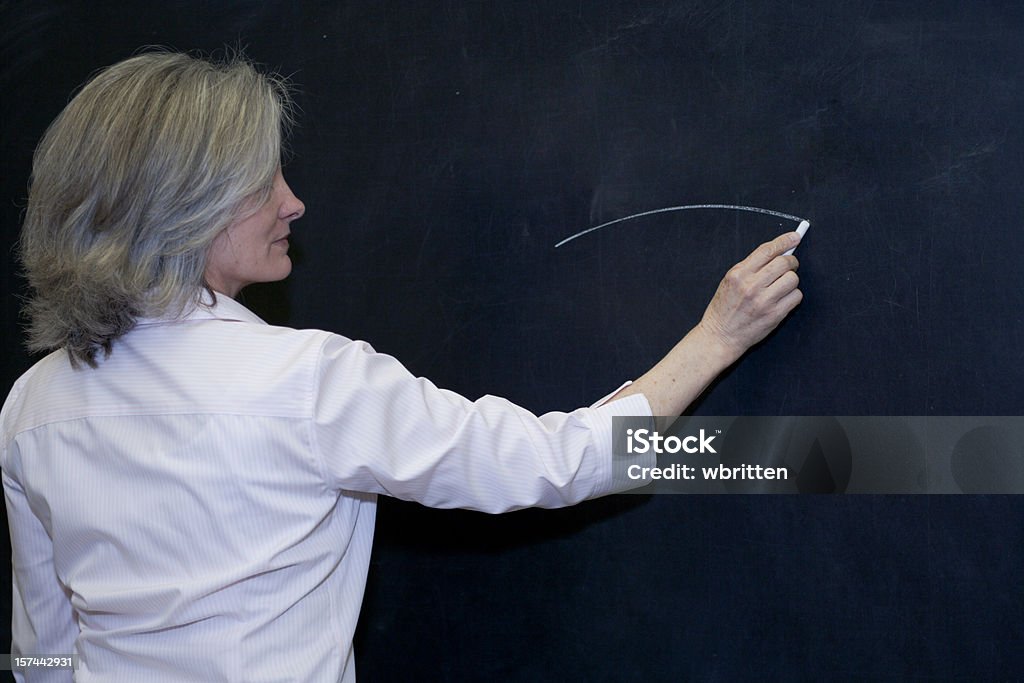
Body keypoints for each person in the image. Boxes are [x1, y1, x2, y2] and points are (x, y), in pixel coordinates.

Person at [1, 50, 802, 682]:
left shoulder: (29, 408)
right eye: (260, 181)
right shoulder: (305, 382)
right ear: (184, 208)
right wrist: (718, 336)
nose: (293, 201)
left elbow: (41, 648)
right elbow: (559, 463)